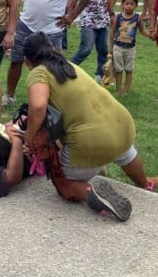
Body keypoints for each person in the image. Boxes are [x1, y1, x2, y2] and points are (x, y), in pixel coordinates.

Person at [23, 33, 151, 221]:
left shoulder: (38, 73)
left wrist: (29, 137)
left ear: (27, 60)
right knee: (125, 152)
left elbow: (38, 105)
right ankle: (145, 185)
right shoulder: (68, 66)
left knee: (63, 182)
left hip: (93, 142)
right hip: (123, 127)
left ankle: (90, 191)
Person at [2, 0, 91, 106]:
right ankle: (9, 96)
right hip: (26, 24)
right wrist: (15, 9)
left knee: (52, 67)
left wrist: (71, 16)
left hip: (53, 29)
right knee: (16, 60)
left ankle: (51, 100)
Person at [70, 0, 115, 83]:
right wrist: (70, 15)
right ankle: (66, 70)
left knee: (103, 50)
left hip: (103, 18)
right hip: (88, 18)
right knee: (86, 49)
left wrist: (111, 13)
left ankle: (99, 77)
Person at [109, 0, 150, 95]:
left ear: (135, 5)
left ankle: (126, 91)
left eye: (132, 4)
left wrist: (151, 35)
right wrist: (111, 48)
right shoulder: (118, 17)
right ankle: (118, 90)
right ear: (122, 4)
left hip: (130, 48)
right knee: (118, 70)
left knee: (129, 69)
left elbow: (142, 30)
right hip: (118, 47)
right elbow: (112, 33)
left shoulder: (137, 18)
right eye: (127, 3)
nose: (129, 6)